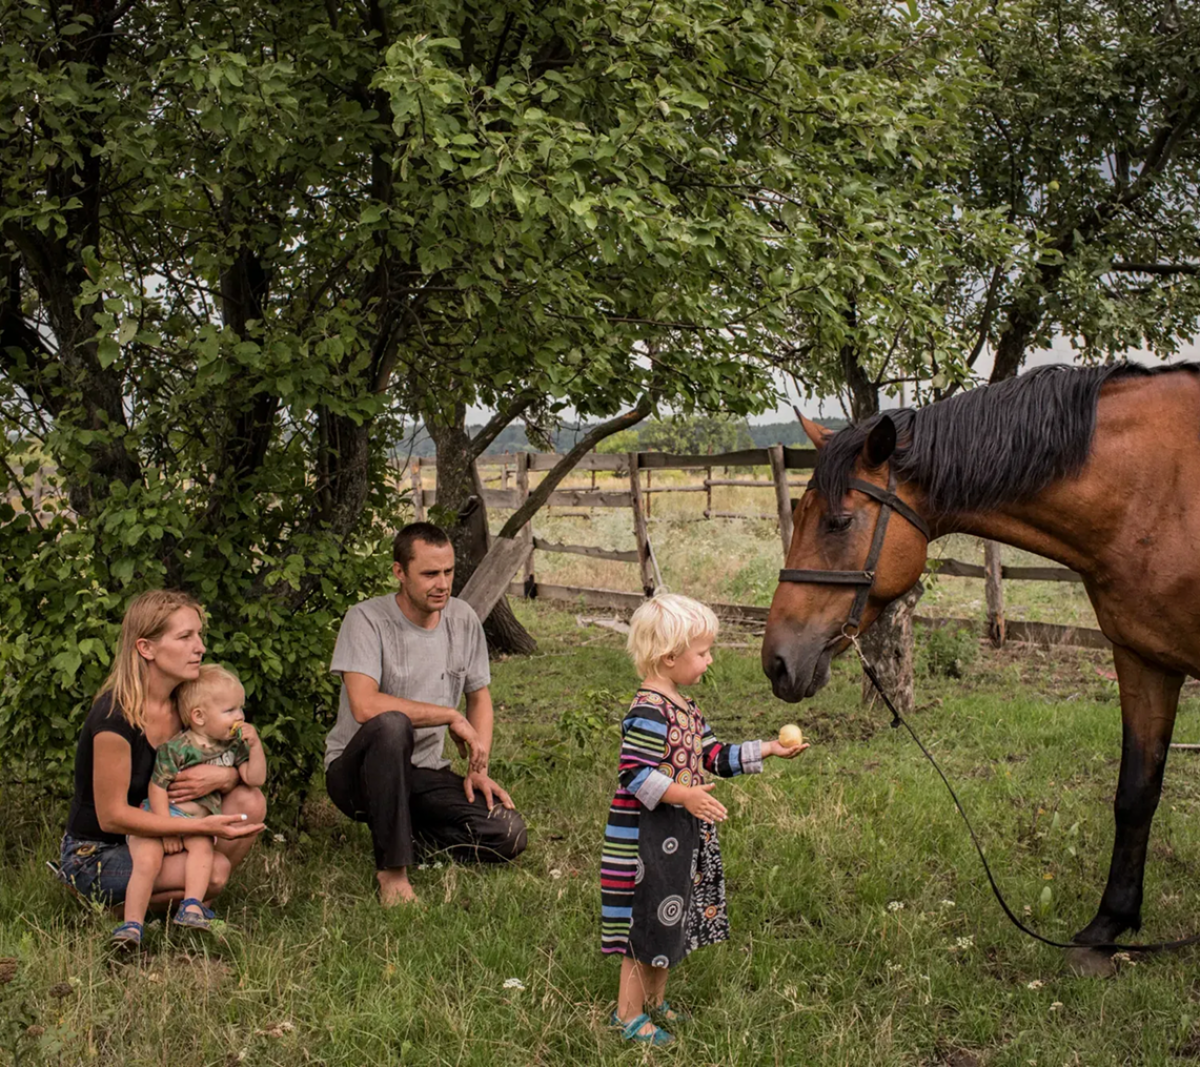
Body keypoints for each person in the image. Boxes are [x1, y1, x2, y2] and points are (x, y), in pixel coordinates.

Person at [600, 593, 807, 1045]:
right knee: (643, 925)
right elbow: (634, 775)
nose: (709, 660)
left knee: (668, 918)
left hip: (677, 835)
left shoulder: (685, 707)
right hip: (647, 839)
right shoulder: (649, 711)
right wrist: (685, 795)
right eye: (702, 652)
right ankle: (626, 1014)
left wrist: (769, 749)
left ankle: (654, 1003)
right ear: (670, 656)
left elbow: (712, 755)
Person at [325, 521, 527, 906]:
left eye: (448, 572)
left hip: (422, 773)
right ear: (399, 573)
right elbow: (365, 705)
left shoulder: (463, 618)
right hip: (357, 776)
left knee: (508, 833)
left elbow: (479, 696)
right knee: (391, 724)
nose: (442, 584)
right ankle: (393, 874)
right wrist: (447, 716)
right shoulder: (365, 619)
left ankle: (408, 836)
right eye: (430, 573)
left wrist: (478, 768)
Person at [58, 590, 266, 948]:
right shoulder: (114, 718)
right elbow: (111, 818)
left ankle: (193, 908)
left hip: (163, 830)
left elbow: (235, 759)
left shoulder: (185, 703)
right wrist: (197, 826)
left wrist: (226, 776)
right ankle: (113, 907)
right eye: (185, 637)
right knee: (216, 870)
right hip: (98, 853)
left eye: (199, 635)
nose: (199, 647)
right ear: (146, 648)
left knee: (250, 801)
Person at [116, 664, 266, 940]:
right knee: (147, 861)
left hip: (196, 823)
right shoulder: (178, 747)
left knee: (203, 849)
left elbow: (254, 778)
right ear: (198, 716)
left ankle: (192, 907)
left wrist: (256, 747)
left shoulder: (235, 745)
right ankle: (131, 924)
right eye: (230, 710)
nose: (240, 717)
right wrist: (167, 826)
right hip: (162, 816)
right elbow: (157, 787)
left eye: (240, 709)